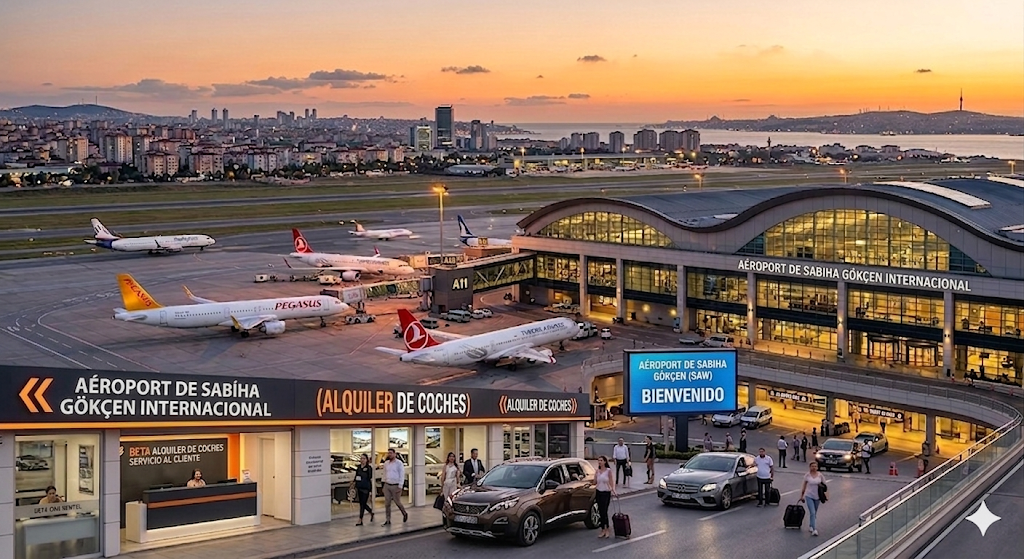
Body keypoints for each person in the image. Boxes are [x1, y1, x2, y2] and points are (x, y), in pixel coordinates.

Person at [799, 461, 827, 537]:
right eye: (812, 466)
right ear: (810, 467)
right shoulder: (807, 475)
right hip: (809, 496)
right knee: (812, 512)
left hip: (817, 496)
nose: (814, 468)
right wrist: (802, 496)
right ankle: (814, 529)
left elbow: (825, 486)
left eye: (815, 466)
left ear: (817, 467)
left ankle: (811, 525)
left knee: (815, 512)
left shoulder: (820, 475)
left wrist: (825, 495)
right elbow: (804, 485)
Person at [381, 448, 408, 525]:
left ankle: (404, 513)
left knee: (397, 502)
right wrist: (383, 484)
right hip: (387, 484)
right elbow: (384, 473)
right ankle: (388, 519)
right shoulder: (386, 463)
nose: (389, 454)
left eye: (391, 453)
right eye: (388, 453)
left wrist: (400, 486)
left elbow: (401, 474)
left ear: (395, 454)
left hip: (395, 485)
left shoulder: (399, 463)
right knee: (387, 503)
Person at [594, 456, 616, 538]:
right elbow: (594, 482)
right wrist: (595, 475)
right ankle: (602, 529)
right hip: (598, 492)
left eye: (601, 460)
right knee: (600, 511)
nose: (599, 462)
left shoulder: (608, 471)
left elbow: (611, 481)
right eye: (598, 460)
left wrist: (613, 490)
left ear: (605, 462)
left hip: (606, 492)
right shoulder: (597, 471)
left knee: (604, 511)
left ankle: (607, 529)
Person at [354, 454, 374, 525]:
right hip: (359, 487)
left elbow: (370, 477)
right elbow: (356, 476)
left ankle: (360, 519)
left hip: (365, 488)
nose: (362, 460)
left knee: (363, 504)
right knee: (362, 503)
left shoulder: (369, 468)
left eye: (364, 458)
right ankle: (371, 512)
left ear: (366, 460)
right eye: (361, 458)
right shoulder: (358, 467)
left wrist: (371, 490)